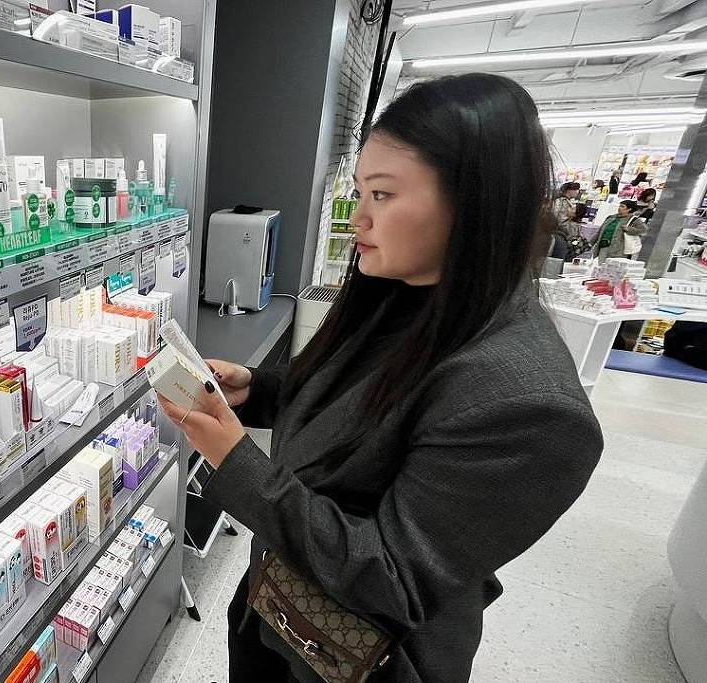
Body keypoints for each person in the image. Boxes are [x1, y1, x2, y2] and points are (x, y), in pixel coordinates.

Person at [156, 73, 602, 683]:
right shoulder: (406, 292)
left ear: (473, 203)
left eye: (384, 196)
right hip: (278, 613)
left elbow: (388, 575)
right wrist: (259, 391)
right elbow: (366, 412)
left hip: (354, 660)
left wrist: (234, 461)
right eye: (360, 191)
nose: (358, 218)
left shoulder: (528, 408)